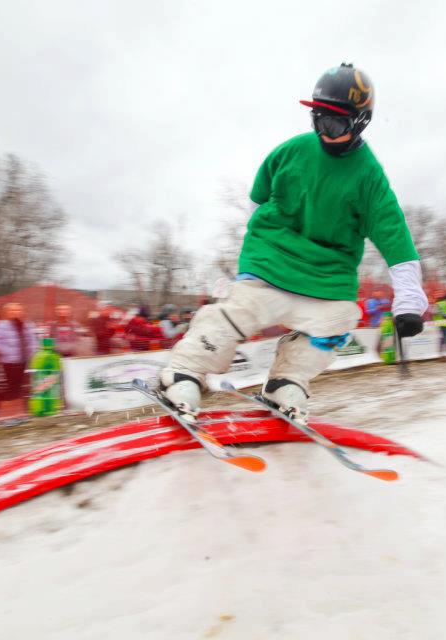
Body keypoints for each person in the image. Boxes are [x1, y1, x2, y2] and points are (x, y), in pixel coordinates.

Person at [158, 62, 426, 423]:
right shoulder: (293, 151)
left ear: (359, 122)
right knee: (245, 308)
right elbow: (257, 196)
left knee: (341, 319)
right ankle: (185, 370)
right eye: (318, 119)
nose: (323, 131)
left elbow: (395, 237)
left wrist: (408, 299)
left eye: (334, 123)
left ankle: (287, 380)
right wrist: (265, 243)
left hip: (327, 277)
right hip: (273, 259)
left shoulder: (369, 178)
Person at [0, 303, 37, 419]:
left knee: (19, 386)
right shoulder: (1, 325)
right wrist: (7, 353)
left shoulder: (27, 324)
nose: (15, 312)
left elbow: (33, 340)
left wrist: (32, 352)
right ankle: (3, 407)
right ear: (7, 312)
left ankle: (17, 411)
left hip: (23, 359)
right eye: (12, 310)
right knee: (12, 386)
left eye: (18, 310)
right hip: (9, 361)